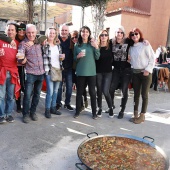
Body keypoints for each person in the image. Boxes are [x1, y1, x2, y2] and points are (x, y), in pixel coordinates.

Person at [18, 24, 45, 123]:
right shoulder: (23, 44)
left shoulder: (38, 41)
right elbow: (19, 57)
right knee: (27, 95)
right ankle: (25, 114)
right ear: (26, 32)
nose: (31, 34)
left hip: (41, 73)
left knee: (37, 95)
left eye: (33, 32)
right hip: (30, 73)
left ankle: (33, 112)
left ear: (36, 32)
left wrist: (34, 41)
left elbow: (44, 37)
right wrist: (23, 59)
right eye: (29, 32)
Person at [128, 28, 155, 124]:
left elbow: (153, 57)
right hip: (135, 73)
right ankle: (135, 113)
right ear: (130, 37)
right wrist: (129, 60)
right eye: (132, 34)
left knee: (144, 94)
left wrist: (148, 69)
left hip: (145, 73)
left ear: (140, 34)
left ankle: (142, 115)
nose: (134, 35)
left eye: (136, 33)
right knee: (136, 94)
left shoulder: (145, 45)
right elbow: (132, 60)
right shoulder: (131, 47)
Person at [74, 26, 100, 119]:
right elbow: (74, 59)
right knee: (79, 93)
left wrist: (96, 47)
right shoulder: (77, 45)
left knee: (92, 93)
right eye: (83, 31)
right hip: (80, 72)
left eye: (86, 32)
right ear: (80, 33)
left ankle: (94, 113)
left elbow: (97, 57)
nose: (84, 33)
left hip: (91, 73)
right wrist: (78, 56)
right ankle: (77, 111)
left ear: (89, 33)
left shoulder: (92, 44)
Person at [0, 23, 26, 113]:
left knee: (11, 96)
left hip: (13, 73)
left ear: (16, 32)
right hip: (1, 72)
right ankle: (2, 115)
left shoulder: (19, 44)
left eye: (12, 30)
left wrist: (23, 59)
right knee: (1, 96)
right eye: (9, 30)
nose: (10, 32)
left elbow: (21, 58)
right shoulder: (1, 41)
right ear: (6, 31)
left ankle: (9, 113)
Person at [109, 26, 132, 119]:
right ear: (115, 33)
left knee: (124, 90)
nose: (119, 34)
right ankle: (112, 105)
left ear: (123, 34)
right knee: (111, 88)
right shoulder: (111, 42)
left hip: (126, 70)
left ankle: (122, 110)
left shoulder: (128, 41)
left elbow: (137, 41)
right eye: (118, 32)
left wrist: (145, 42)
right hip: (116, 69)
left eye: (121, 32)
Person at [42, 27, 63, 118]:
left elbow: (60, 58)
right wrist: (44, 43)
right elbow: (44, 53)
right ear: (47, 34)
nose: (52, 35)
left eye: (54, 33)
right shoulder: (45, 45)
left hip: (58, 70)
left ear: (55, 35)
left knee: (56, 91)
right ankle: (47, 109)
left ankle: (53, 108)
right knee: (50, 91)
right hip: (49, 70)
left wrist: (62, 58)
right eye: (50, 33)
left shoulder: (58, 46)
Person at [96, 30, 113, 118]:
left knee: (105, 91)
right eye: (102, 35)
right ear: (99, 37)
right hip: (98, 72)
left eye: (105, 35)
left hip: (108, 72)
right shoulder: (97, 47)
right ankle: (99, 108)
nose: (103, 36)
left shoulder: (111, 46)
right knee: (99, 91)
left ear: (108, 37)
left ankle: (110, 107)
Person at [56, 24, 74, 111]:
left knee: (69, 87)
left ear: (68, 32)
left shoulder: (71, 41)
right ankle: (58, 103)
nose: (64, 32)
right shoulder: (56, 40)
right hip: (58, 68)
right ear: (60, 31)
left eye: (65, 30)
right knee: (59, 87)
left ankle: (67, 103)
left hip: (69, 68)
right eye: (62, 30)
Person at [70, 30, 88, 111]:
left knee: (83, 87)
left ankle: (85, 98)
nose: (74, 39)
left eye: (75, 37)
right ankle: (80, 105)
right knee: (78, 87)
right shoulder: (71, 46)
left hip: (82, 69)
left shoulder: (81, 45)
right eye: (72, 38)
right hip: (74, 69)